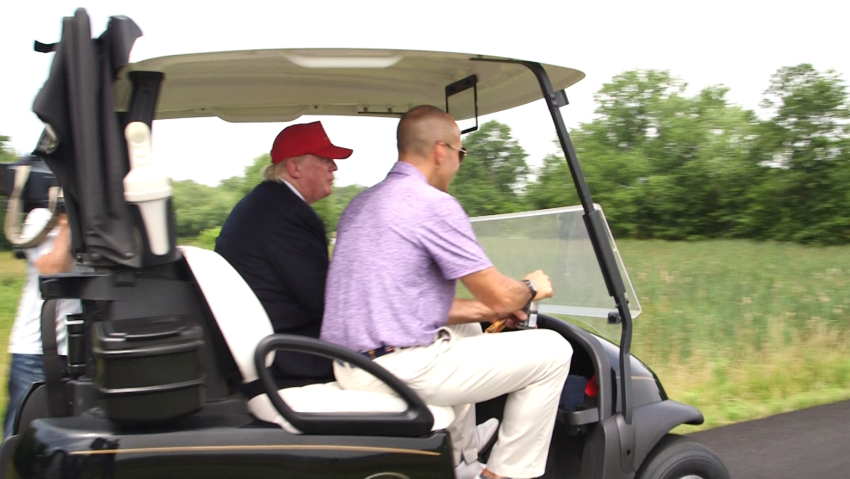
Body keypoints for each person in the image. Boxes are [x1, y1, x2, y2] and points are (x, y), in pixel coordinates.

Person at [320, 105, 573, 479]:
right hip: (395, 368)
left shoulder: (362, 203)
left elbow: (412, 305)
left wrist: (489, 313)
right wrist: (532, 287)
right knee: (554, 351)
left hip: (350, 363)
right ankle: (503, 474)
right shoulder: (433, 204)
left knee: (467, 329)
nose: (459, 163)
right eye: (461, 153)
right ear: (442, 151)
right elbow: (502, 296)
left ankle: (461, 459)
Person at [215, 121, 352, 390]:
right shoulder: (289, 216)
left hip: (271, 348)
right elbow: (325, 301)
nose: (334, 167)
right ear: (294, 167)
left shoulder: (266, 204)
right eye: (325, 159)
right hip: (289, 359)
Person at [4, 209, 79, 439]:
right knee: (21, 438)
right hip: (35, 352)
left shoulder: (93, 220)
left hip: (77, 353)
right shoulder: (41, 218)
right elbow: (53, 269)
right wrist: (66, 222)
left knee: (65, 440)